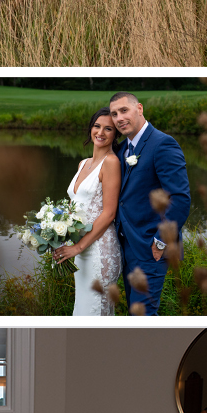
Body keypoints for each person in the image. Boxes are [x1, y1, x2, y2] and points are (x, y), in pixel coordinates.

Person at [107, 90, 192, 315]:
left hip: (151, 248)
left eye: (124, 110)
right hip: (127, 246)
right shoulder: (122, 149)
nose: (119, 118)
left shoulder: (163, 144)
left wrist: (160, 242)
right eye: (114, 114)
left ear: (139, 108)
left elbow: (180, 199)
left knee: (142, 315)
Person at [52, 109, 122, 316]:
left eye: (108, 129)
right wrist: (60, 236)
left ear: (116, 134)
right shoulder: (83, 163)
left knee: (95, 310)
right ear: (90, 128)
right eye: (97, 126)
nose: (100, 132)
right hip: (80, 248)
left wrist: (78, 247)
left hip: (99, 249)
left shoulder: (111, 163)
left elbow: (109, 213)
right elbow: (75, 206)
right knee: (82, 309)